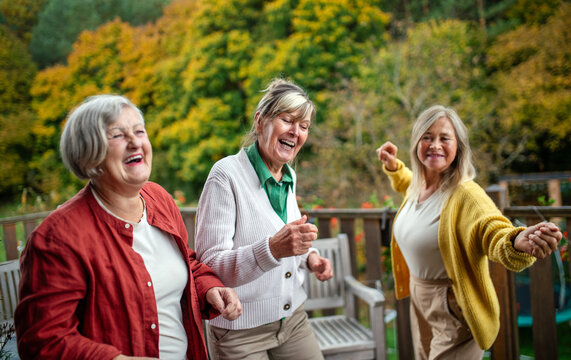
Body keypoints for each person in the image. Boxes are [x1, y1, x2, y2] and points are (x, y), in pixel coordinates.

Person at [15, 95, 242, 360]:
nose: (135, 142)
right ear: (88, 156)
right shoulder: (58, 238)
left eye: (139, 131)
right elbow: (42, 341)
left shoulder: (159, 199)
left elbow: (187, 263)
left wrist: (209, 288)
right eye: (117, 135)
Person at [376, 105, 562, 359]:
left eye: (444, 138)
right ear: (416, 142)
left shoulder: (466, 195)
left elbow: (491, 230)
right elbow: (408, 183)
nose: (435, 145)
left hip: (452, 304)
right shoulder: (419, 187)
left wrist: (516, 240)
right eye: (427, 137)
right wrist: (395, 167)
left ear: (459, 147)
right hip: (419, 300)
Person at [195, 78, 333, 359]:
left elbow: (287, 241)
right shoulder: (225, 176)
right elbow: (210, 266)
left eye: (304, 126)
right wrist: (271, 249)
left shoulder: (288, 175)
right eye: (287, 120)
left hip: (292, 319)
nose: (296, 132)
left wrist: (310, 258)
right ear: (260, 121)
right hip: (239, 330)